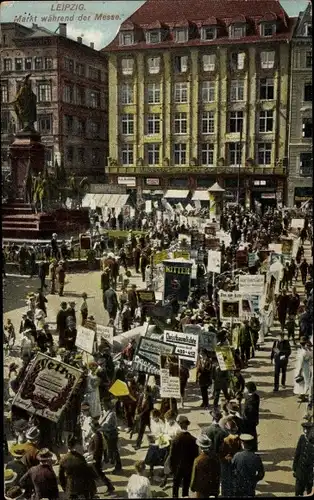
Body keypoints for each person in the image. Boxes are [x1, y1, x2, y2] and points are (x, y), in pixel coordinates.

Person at [169, 415, 199, 498]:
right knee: (185, 488)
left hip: (177, 467)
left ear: (179, 425)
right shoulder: (193, 439)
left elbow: (172, 455)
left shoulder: (175, 439)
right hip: (188, 467)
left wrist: (172, 468)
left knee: (175, 486)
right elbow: (195, 456)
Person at [59, 435, 97, 500]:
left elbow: (61, 476)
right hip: (82, 487)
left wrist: (64, 487)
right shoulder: (80, 458)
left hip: (70, 487)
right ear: (75, 446)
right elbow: (87, 474)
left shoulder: (63, 459)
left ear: (67, 446)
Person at [87, 421, 115, 494]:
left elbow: (97, 449)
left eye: (92, 427)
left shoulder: (97, 436)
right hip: (94, 457)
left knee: (99, 474)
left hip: (95, 459)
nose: (91, 428)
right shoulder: (96, 435)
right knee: (96, 474)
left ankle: (109, 486)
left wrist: (92, 457)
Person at [219, 418, 242, 497]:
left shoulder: (225, 440)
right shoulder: (238, 439)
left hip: (225, 464)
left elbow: (221, 454)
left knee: (225, 482)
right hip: (235, 463)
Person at [99, 399, 122, 474]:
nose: (102, 406)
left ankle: (118, 467)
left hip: (112, 434)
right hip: (106, 434)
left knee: (114, 450)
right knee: (108, 449)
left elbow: (106, 424)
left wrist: (99, 428)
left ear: (107, 405)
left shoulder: (112, 413)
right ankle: (111, 460)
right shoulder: (104, 412)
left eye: (103, 405)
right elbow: (100, 422)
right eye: (102, 405)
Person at [293, 422, 314, 496]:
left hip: (310, 474)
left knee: (309, 492)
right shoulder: (302, 438)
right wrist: (295, 469)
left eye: (308, 431)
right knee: (298, 491)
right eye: (304, 430)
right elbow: (297, 454)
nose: (305, 432)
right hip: (300, 471)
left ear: (312, 430)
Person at [294, 337, 313, 402]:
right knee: (305, 380)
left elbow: (301, 362)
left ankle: (303, 395)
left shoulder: (303, 352)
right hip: (306, 367)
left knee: (302, 381)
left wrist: (299, 371)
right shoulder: (308, 351)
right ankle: (303, 394)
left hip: (302, 367)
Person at [242, 382, 260, 452]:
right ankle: (253, 447)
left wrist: (244, 417)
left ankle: (251, 448)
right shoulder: (255, 396)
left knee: (250, 434)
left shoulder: (251, 400)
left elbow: (249, 411)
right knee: (253, 434)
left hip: (249, 421)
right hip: (254, 420)